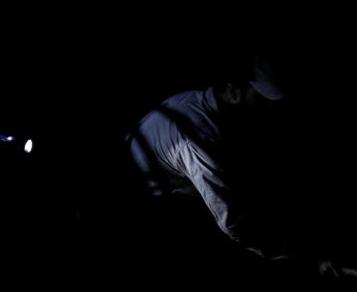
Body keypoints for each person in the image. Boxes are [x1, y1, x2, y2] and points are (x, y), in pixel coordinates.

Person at [124, 50, 337, 275]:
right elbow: (234, 223)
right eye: (261, 98)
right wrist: (303, 255)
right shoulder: (198, 140)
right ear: (233, 88)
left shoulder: (194, 101)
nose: (270, 109)